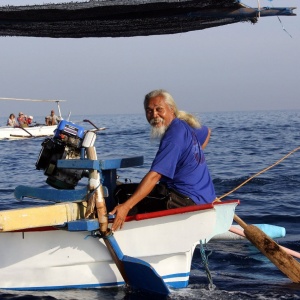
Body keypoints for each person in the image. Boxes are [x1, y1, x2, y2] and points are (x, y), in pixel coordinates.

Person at [110, 89, 217, 231]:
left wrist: (126, 206)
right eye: (149, 111)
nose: (154, 115)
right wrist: (188, 160)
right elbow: (207, 132)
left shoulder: (173, 137)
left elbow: (155, 176)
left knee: (121, 192)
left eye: (159, 109)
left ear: (171, 109)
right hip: (206, 197)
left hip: (186, 200)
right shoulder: (184, 124)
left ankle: (122, 232)